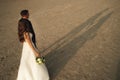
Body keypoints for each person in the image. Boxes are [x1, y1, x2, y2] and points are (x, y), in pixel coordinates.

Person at [17, 10, 49, 80]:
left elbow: (25, 40)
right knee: (35, 60)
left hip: (25, 47)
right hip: (29, 46)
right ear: (26, 14)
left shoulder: (21, 23)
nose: (29, 14)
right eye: (28, 13)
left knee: (26, 61)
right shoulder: (27, 28)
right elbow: (28, 40)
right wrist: (35, 51)